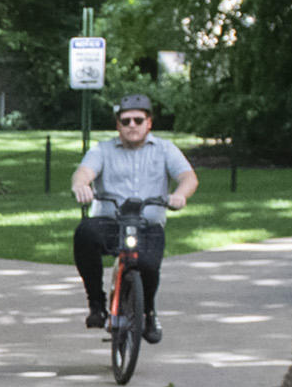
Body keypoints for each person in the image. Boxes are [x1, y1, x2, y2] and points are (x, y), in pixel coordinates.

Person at [70, 94, 197, 344]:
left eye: (138, 120)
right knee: (85, 234)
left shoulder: (165, 149)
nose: (132, 126)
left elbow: (188, 177)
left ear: (149, 123)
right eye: (125, 121)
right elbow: (83, 173)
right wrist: (81, 186)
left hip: (147, 225)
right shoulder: (102, 150)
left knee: (149, 266)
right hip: (110, 222)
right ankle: (96, 305)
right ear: (117, 125)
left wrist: (180, 195)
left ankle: (148, 314)